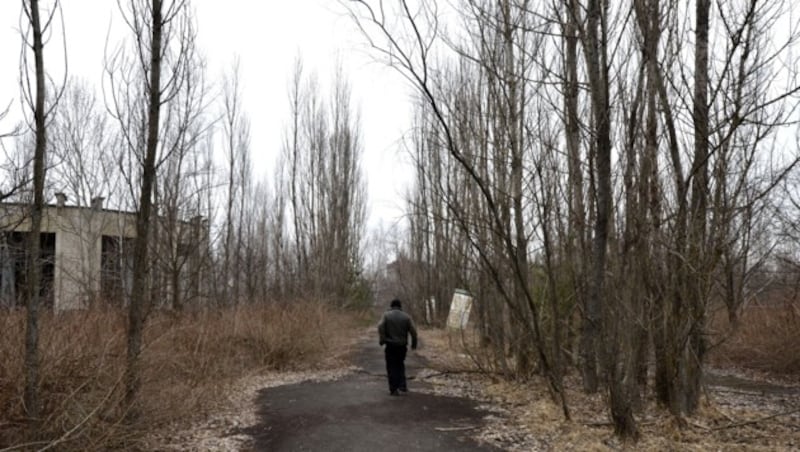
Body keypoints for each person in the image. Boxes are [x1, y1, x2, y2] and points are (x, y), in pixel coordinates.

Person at [378, 298, 418, 395]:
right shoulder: (406, 317)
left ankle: (393, 388)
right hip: (402, 346)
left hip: (390, 345)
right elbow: (414, 332)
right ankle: (402, 385)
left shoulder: (386, 315)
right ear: (400, 306)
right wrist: (414, 344)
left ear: (391, 306)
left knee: (391, 366)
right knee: (400, 364)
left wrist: (382, 340)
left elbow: (380, 326)